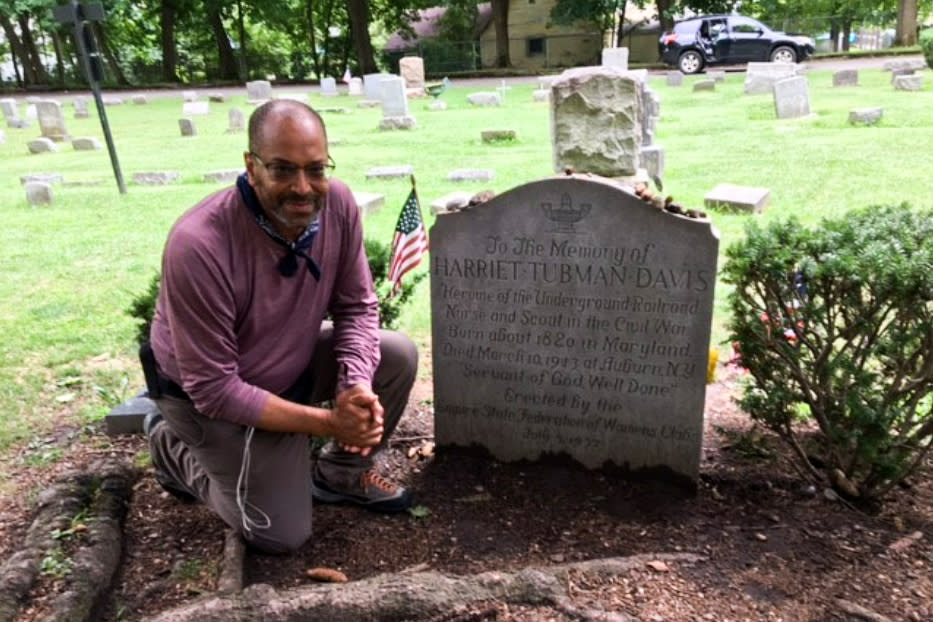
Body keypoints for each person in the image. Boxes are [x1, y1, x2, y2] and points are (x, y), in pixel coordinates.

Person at [143, 99, 418, 554]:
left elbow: (357, 307)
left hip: (286, 363)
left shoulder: (340, 207)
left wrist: (353, 386)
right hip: (205, 397)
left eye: (316, 169)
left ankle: (341, 475)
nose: (303, 188)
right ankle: (170, 446)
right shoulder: (199, 244)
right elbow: (214, 388)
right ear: (251, 167)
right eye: (283, 170)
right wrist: (329, 423)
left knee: (396, 356)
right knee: (278, 533)